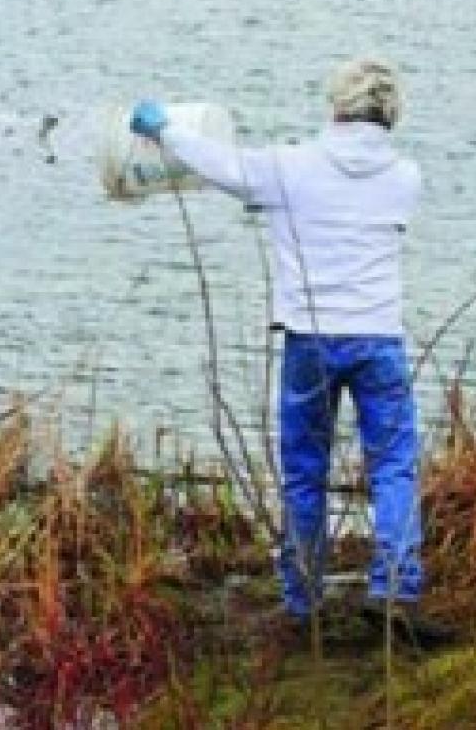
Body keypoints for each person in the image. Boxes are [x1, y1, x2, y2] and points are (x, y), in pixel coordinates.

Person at [129, 58, 452, 647]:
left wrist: (164, 129)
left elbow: (221, 168)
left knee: (306, 472)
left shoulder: (290, 168)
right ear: (389, 114)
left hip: (311, 338)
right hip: (380, 337)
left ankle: (304, 596)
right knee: (394, 464)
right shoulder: (406, 176)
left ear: (336, 108)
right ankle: (395, 589)